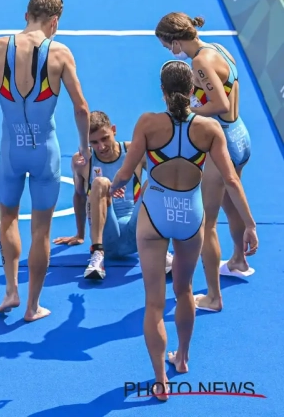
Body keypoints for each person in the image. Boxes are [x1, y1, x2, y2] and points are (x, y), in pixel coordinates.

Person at [109, 60, 258, 400]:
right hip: (190, 217)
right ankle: (184, 357)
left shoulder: (148, 123)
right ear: (194, 91)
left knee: (153, 304)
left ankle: (160, 379)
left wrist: (113, 187)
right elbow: (232, 180)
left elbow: (126, 170)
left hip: (155, 216)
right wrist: (249, 224)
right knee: (185, 291)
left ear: (162, 93)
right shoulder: (208, 129)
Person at [0, 0, 91, 322]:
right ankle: (32, 306)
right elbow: (81, 108)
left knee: (8, 219)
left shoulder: (0, 48)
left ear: (26, 16)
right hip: (45, 152)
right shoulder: (61, 54)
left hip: (11, 152)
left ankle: (11, 289)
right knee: (41, 230)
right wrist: (85, 150)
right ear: (54, 22)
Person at [155, 12, 253, 313]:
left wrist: (189, 112)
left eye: (165, 45)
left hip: (219, 141)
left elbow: (219, 105)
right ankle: (238, 260)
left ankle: (213, 297)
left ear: (174, 42)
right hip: (240, 135)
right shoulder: (217, 48)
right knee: (230, 204)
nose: (168, 52)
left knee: (207, 225)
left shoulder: (199, 62)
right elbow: (227, 98)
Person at [54, 111, 173, 280]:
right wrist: (80, 234)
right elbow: (79, 197)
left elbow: (165, 181)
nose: (101, 147)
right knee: (100, 182)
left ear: (114, 130)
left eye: (104, 138)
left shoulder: (134, 151)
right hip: (106, 238)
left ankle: (161, 251)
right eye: (94, 142)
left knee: (153, 183)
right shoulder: (81, 161)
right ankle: (97, 255)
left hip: (137, 235)